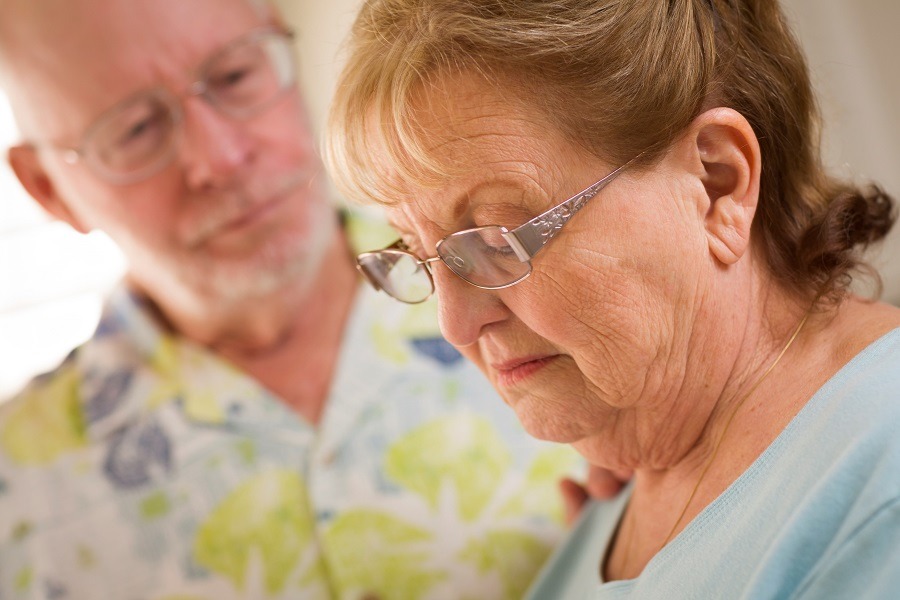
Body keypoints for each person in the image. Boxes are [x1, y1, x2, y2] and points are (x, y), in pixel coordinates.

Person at [0, 0, 597, 598]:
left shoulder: (572, 307)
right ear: (48, 189)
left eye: (235, 76)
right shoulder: (15, 499)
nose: (222, 158)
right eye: (135, 131)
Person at [326, 0, 900, 597]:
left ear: (716, 182)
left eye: (498, 238)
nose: (456, 325)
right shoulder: (619, 484)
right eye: (416, 251)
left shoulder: (881, 481)